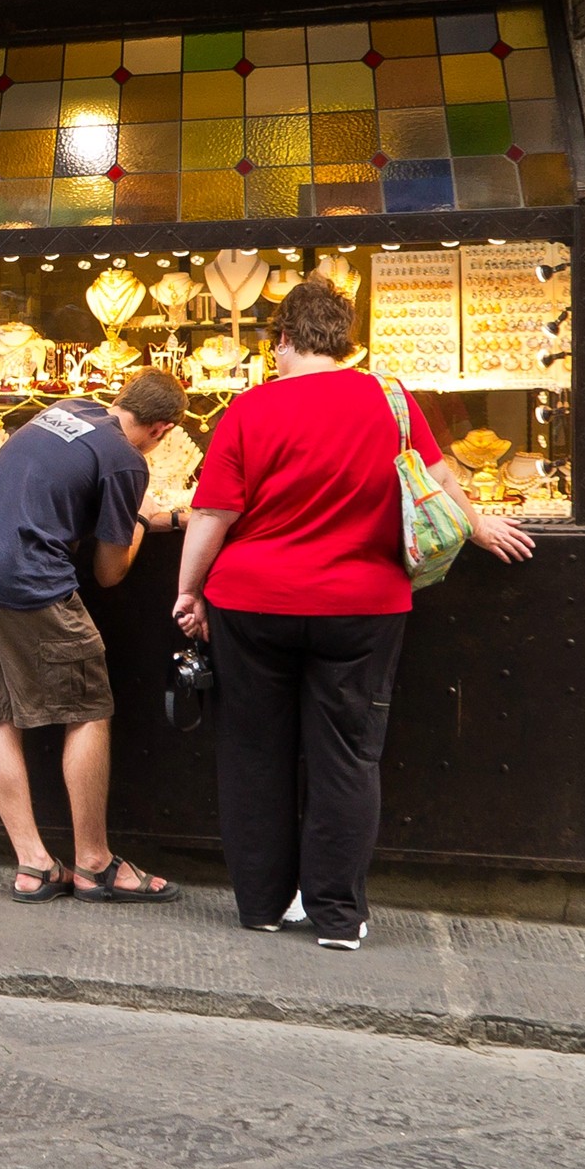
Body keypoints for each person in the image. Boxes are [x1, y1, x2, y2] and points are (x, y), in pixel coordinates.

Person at [172, 274, 534, 950]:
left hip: (253, 604)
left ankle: (260, 904)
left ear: (284, 339)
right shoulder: (391, 399)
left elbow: (211, 513)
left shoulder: (249, 410)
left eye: (275, 344)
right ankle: (337, 915)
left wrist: (188, 591)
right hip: (362, 607)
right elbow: (442, 481)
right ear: (342, 340)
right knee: (346, 757)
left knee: (255, 754)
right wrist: (480, 528)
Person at [0, 367, 189, 905]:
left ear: (120, 398)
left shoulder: (67, 408)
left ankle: (35, 866)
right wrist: (142, 523)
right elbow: (111, 571)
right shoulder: (127, 460)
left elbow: (59, 482)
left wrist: (133, 511)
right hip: (24, 579)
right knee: (87, 708)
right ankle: (94, 864)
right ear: (162, 430)